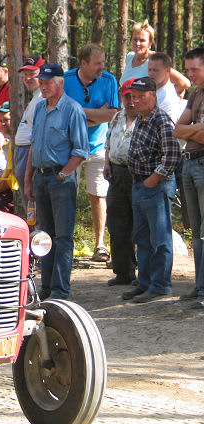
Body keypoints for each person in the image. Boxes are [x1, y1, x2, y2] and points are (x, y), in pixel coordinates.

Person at [24, 63, 89, 300]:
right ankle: (47, 287)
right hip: (41, 177)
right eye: (41, 82)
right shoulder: (40, 108)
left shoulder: (73, 109)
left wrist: (63, 174)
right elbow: (33, 146)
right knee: (45, 236)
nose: (42, 86)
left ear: (60, 83)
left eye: (47, 82)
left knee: (63, 236)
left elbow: (81, 151)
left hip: (60, 179)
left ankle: (61, 290)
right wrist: (28, 178)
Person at [121, 77, 181, 303]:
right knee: (142, 237)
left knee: (160, 238)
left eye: (140, 96)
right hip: (139, 184)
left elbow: (172, 155)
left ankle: (160, 285)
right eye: (133, 97)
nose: (135, 101)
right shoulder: (141, 119)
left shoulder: (161, 120)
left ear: (153, 96)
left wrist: (153, 179)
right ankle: (145, 283)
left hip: (154, 185)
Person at [64, 43, 119, 262]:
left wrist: (78, 112)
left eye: (103, 62)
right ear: (84, 63)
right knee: (67, 195)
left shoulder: (109, 80)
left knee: (98, 195)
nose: (102, 67)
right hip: (70, 149)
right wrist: (97, 113)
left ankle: (100, 245)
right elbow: (62, 112)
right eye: (98, 63)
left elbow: (112, 114)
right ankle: (66, 242)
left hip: (98, 147)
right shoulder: (67, 80)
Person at [173, 47, 204, 310]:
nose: (190, 74)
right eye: (188, 69)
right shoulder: (195, 93)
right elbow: (177, 130)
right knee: (196, 232)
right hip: (190, 164)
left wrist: (190, 130)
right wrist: (196, 128)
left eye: (195, 69)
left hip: (202, 164)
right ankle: (200, 286)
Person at [103, 78, 139, 286]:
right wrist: (107, 164)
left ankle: (143, 273)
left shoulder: (146, 118)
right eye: (127, 96)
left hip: (137, 174)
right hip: (116, 173)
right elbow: (108, 143)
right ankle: (123, 272)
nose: (131, 101)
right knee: (117, 224)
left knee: (139, 225)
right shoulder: (117, 117)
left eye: (135, 96)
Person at [119, 20, 190, 96]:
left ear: (150, 43)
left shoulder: (155, 61)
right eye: (135, 39)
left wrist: (159, 96)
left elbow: (184, 83)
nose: (137, 43)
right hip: (126, 107)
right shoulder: (130, 57)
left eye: (142, 40)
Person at [14, 54, 44, 209]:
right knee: (29, 202)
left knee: (33, 198)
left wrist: (31, 170)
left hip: (29, 152)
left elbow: (40, 135)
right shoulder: (36, 97)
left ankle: (38, 231)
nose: (28, 78)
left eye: (32, 74)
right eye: (25, 75)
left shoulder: (43, 98)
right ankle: (34, 228)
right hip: (22, 151)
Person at [147, 52, 182, 123]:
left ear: (168, 70)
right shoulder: (154, 91)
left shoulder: (167, 97)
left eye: (156, 70)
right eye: (149, 70)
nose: (151, 74)